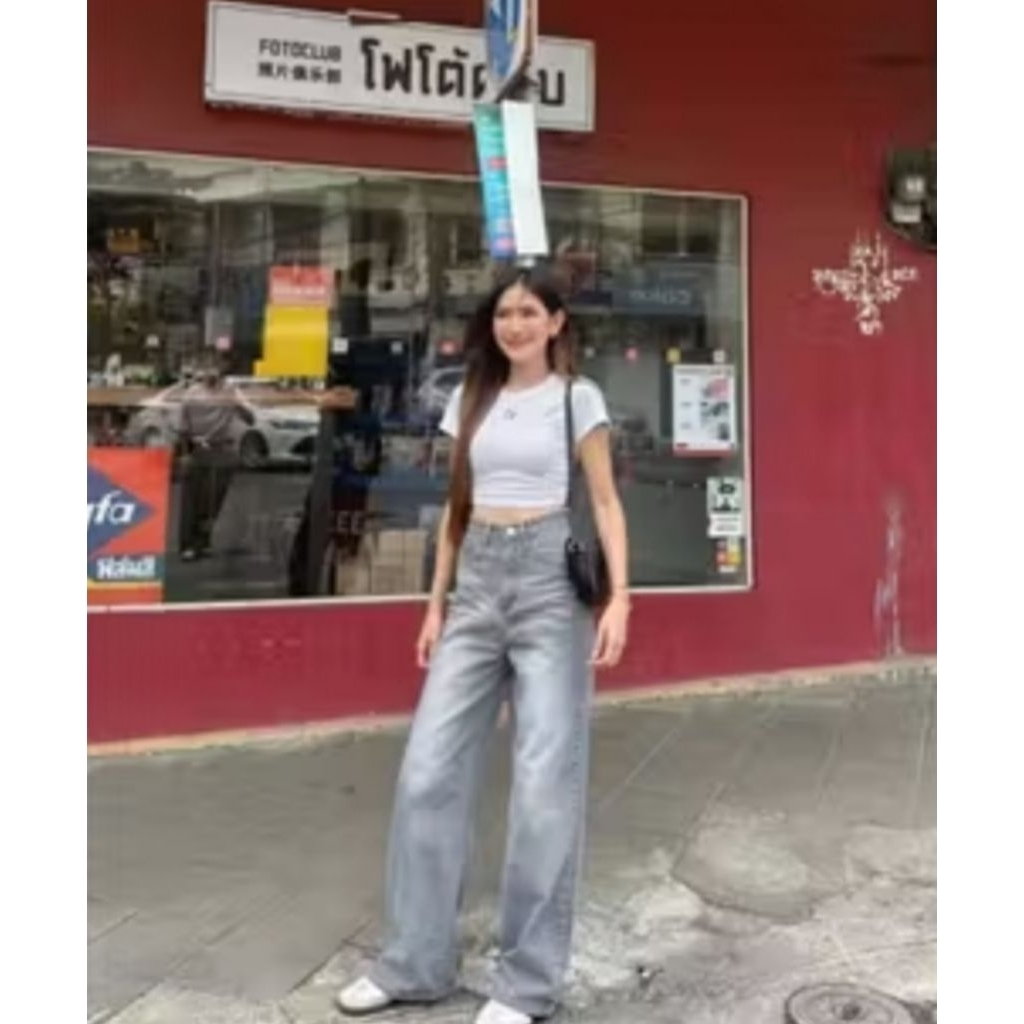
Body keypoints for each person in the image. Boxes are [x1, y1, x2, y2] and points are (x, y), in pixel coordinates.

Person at [336, 268, 631, 1023]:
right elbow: (456, 509)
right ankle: (415, 963)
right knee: (427, 772)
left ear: (556, 323)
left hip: (549, 586)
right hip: (475, 584)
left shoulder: (579, 398)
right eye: (504, 313)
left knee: (543, 783)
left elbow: (603, 501)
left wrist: (620, 599)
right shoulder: (471, 398)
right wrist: (435, 604)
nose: (515, 324)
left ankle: (526, 983)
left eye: (530, 312)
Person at [177, 362, 255, 561]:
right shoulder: (191, 394)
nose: (211, 372)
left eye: (215, 367)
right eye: (207, 368)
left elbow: (250, 418)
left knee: (213, 501)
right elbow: (183, 428)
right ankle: (188, 544)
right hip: (199, 450)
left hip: (222, 451)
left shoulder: (230, 391)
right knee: (194, 500)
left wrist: (235, 403)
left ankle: (203, 541)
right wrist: (185, 455)